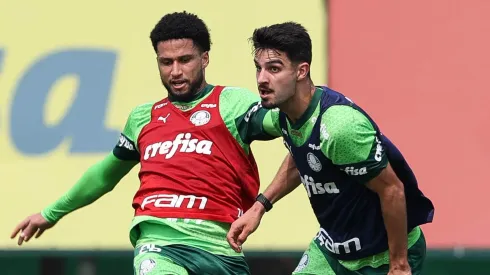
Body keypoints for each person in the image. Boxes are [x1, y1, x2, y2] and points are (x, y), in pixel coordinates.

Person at [10, 11, 283, 275]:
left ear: (205, 59)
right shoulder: (143, 118)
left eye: (184, 60)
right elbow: (105, 174)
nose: (175, 71)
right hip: (158, 243)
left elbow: (281, 123)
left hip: (221, 249)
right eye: (166, 62)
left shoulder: (232, 103)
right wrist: (51, 213)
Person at [227, 22, 435, 275]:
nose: (262, 79)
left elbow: (393, 190)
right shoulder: (285, 114)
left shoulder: (337, 128)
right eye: (259, 69)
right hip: (333, 250)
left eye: (274, 69)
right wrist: (259, 207)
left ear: (301, 71)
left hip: (382, 256)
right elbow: (300, 155)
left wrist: (399, 265)